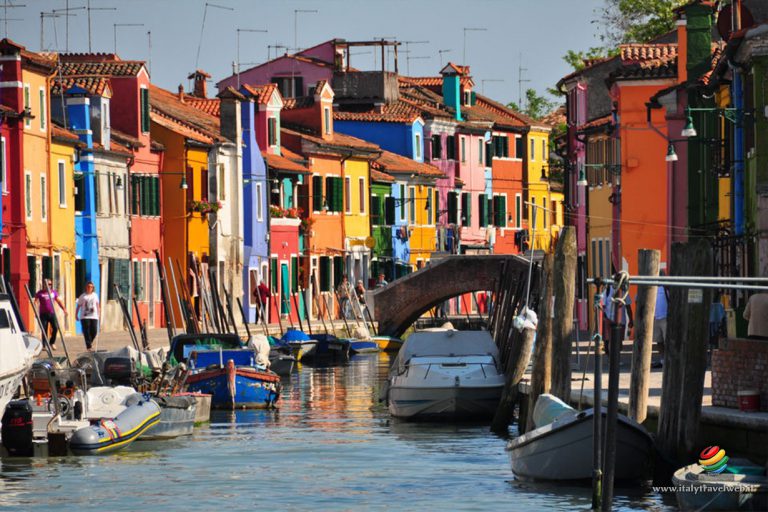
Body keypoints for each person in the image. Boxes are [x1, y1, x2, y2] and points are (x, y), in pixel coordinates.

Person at [601, 283, 633, 358]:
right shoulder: (608, 290)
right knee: (609, 341)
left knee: (619, 342)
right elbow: (603, 305)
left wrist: (631, 320)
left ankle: (616, 358)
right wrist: (604, 318)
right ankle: (611, 358)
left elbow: (628, 307)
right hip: (609, 319)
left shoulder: (624, 292)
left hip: (621, 321)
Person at [34, 279, 67, 350]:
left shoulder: (53, 293)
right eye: (47, 284)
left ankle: (52, 342)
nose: (49, 285)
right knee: (44, 329)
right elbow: (36, 302)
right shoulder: (40, 293)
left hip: (52, 313)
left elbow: (59, 301)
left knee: (55, 327)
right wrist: (35, 311)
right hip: (43, 314)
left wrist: (64, 309)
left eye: (50, 284)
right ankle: (44, 345)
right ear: (44, 285)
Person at [76, 281, 100, 351]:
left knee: (94, 331)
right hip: (84, 316)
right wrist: (76, 314)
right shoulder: (83, 296)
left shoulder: (95, 295)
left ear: (93, 288)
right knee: (86, 331)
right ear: (86, 287)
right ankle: (88, 346)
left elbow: (97, 304)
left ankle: (90, 342)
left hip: (94, 315)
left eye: (91, 287)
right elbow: (79, 306)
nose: (90, 288)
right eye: (88, 286)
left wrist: (99, 313)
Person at [651, 276, 669, 369]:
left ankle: (669, 360)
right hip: (655, 318)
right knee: (659, 341)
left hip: (665, 317)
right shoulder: (652, 289)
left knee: (667, 341)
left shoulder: (665, 288)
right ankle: (663, 360)